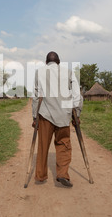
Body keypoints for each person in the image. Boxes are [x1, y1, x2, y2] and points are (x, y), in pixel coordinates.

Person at [32, 52, 83, 188]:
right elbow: (77, 94)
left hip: (45, 115)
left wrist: (34, 117)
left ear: (46, 62)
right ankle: (62, 174)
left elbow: (36, 96)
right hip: (64, 115)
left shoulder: (40, 72)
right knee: (64, 144)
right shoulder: (68, 72)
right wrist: (76, 115)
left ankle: (41, 176)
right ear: (59, 62)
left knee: (43, 146)